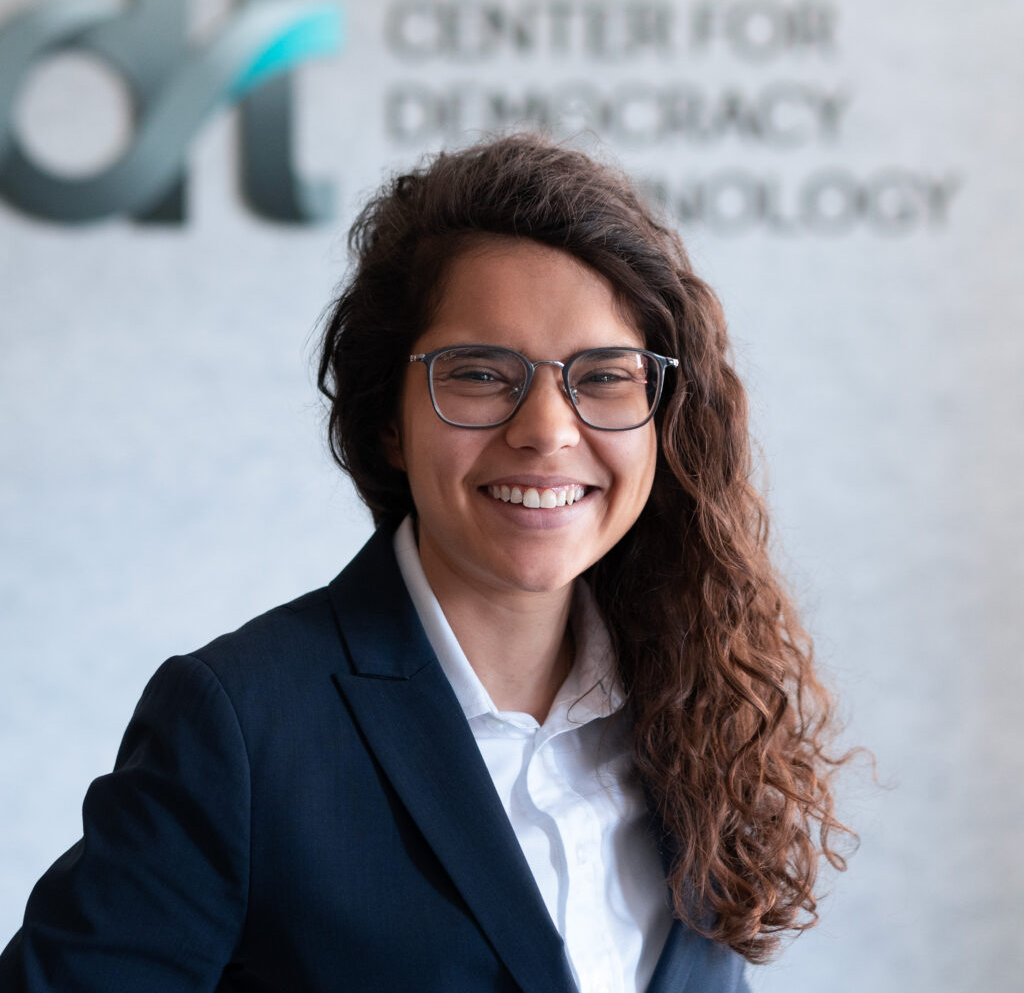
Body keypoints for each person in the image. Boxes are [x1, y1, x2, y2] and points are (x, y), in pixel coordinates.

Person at [0, 134, 853, 992]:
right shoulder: (242, 728)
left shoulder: (699, 707)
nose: (548, 431)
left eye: (603, 377)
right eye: (481, 374)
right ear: (386, 421)